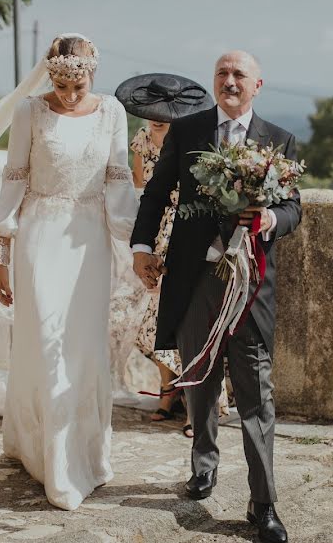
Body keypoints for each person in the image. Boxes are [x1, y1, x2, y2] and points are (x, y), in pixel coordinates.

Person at [0, 33, 138, 511]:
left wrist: (138, 247)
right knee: (46, 343)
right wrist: (2, 261)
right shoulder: (29, 111)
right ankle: (54, 464)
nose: (69, 95)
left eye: (79, 84)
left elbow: (118, 179)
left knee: (85, 348)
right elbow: (14, 182)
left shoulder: (112, 111)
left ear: (93, 74)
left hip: (89, 242)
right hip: (39, 236)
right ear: (50, 74)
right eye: (61, 85)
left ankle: (87, 453)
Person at [130, 51, 301, 543]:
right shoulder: (187, 131)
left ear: (257, 85)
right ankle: (203, 465)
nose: (229, 81)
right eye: (222, 74)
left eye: (238, 75)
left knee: (255, 392)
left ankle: (263, 503)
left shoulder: (279, 141)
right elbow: (157, 193)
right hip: (196, 279)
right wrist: (141, 247)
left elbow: (294, 208)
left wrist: (271, 219)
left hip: (250, 285)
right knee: (199, 378)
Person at [117, 74, 229, 436]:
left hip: (186, 230)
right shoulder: (140, 141)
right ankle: (167, 390)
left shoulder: (196, 138)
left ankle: (199, 403)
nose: (157, 117)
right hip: (155, 231)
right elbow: (141, 188)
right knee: (153, 316)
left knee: (191, 316)